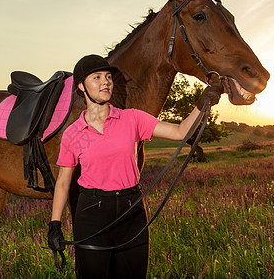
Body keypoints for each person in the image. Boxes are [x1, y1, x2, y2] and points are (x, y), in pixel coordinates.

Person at [47, 54, 223, 278]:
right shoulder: (73, 133)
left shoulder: (133, 119)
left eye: (108, 77)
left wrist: (202, 103)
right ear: (81, 86)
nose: (106, 82)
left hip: (132, 210)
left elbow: (180, 132)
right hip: (91, 214)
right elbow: (63, 183)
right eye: (97, 77)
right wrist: (55, 224)